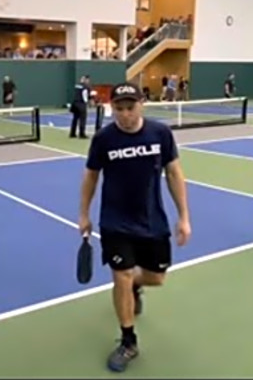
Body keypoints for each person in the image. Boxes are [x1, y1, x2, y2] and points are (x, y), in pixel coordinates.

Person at [79, 82, 191, 373]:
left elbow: (174, 173)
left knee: (156, 278)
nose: (125, 114)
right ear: (111, 108)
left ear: (142, 104)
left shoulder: (160, 134)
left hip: (153, 222)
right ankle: (128, 340)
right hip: (115, 222)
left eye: (130, 107)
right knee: (122, 276)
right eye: (119, 108)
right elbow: (91, 176)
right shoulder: (104, 138)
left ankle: (136, 287)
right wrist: (84, 214)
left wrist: (184, 217)